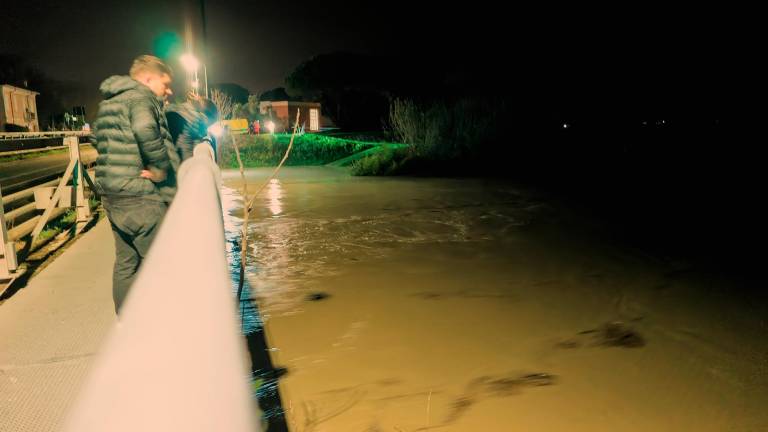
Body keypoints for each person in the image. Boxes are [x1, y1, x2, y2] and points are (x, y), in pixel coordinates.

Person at [93, 54, 178, 313]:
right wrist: (159, 169)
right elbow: (144, 130)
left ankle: (126, 323)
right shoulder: (141, 97)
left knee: (126, 262)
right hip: (138, 195)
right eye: (165, 84)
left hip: (111, 194)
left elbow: (96, 137)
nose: (169, 90)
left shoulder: (109, 102)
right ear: (148, 78)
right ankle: (164, 327)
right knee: (163, 261)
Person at [166, 94, 219, 162]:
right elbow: (186, 148)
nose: (207, 127)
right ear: (206, 117)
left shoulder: (182, 109)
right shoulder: (194, 120)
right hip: (177, 164)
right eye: (209, 124)